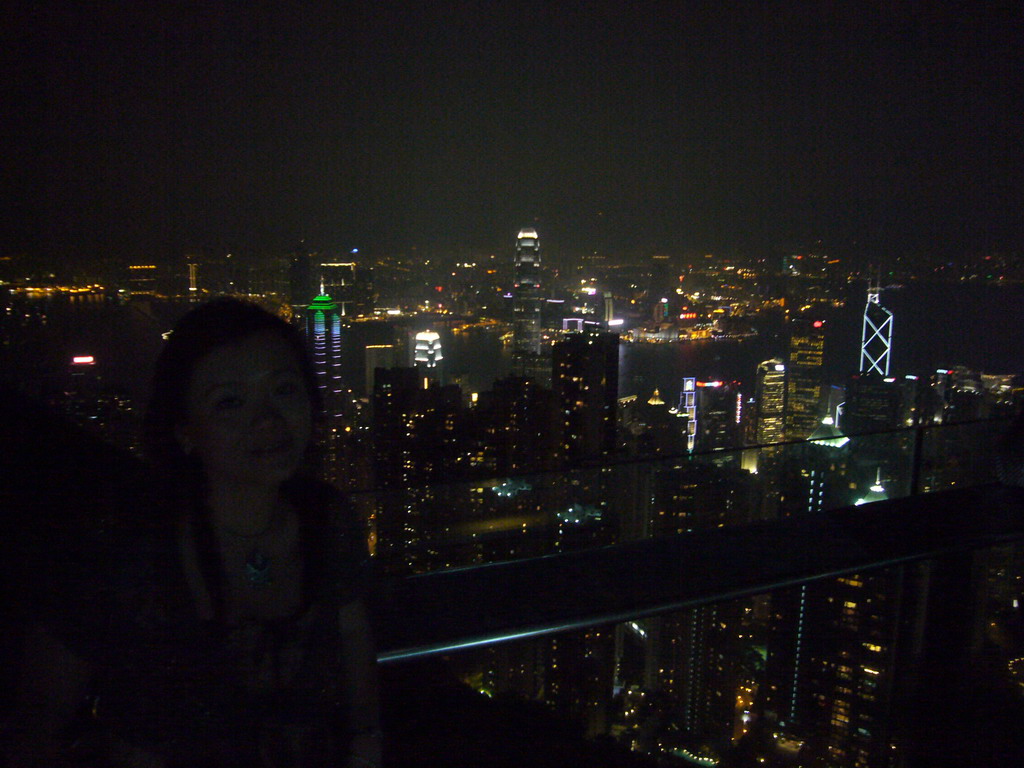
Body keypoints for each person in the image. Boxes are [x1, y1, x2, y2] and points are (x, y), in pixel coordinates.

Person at [6, 298, 381, 767]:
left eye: (284, 390)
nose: (267, 420)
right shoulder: (122, 551)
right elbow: (38, 723)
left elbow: (357, 666)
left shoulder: (329, 522)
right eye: (230, 402)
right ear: (184, 430)